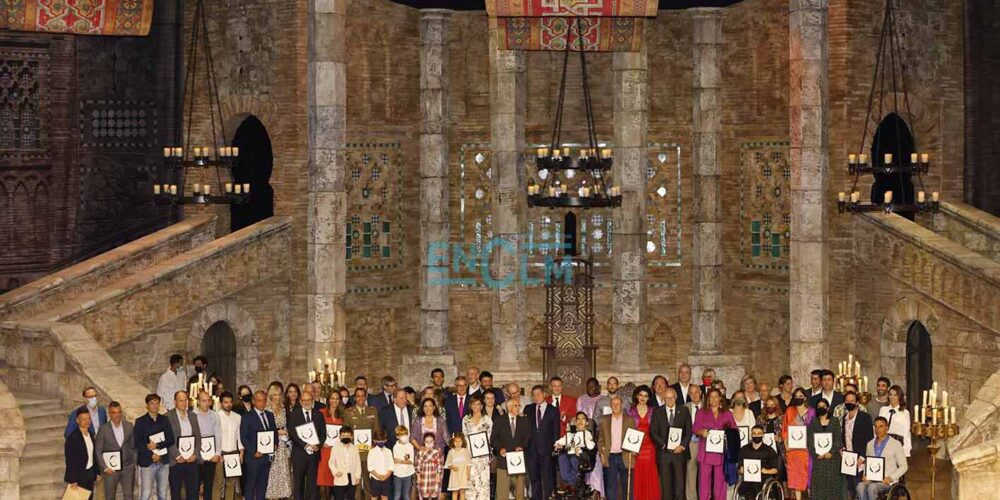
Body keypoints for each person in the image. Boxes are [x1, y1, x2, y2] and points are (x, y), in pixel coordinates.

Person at [692, 387, 735, 500]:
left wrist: (727, 435)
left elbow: (734, 430)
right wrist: (702, 432)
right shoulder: (701, 412)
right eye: (711, 397)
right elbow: (695, 428)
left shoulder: (727, 413)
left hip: (721, 452)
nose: (714, 399)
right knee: (704, 481)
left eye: (716, 396)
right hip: (705, 451)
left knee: (720, 482)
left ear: (720, 398)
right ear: (708, 399)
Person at [650, 387, 691, 500]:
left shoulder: (684, 410)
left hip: (679, 453)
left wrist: (682, 446)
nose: (669, 400)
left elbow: (688, 431)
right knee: (666, 486)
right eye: (667, 398)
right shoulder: (657, 412)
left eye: (672, 397)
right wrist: (664, 445)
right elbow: (653, 432)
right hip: (664, 454)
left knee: (679, 486)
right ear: (663, 398)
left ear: (676, 397)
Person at [856, 417, 908, 500]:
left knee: (872, 488)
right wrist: (865, 475)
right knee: (860, 486)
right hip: (873, 479)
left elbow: (904, 466)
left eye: (881, 426)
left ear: (887, 428)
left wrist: (890, 478)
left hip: (887, 481)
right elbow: (868, 462)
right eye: (875, 426)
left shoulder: (896, 444)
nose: (877, 429)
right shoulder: (870, 444)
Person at [135, 393, 174, 500]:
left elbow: (170, 439)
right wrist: (151, 455)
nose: (155, 406)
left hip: (163, 462)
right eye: (152, 403)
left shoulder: (164, 419)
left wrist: (157, 445)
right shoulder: (140, 421)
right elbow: (138, 443)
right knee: (146, 494)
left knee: (162, 493)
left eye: (157, 403)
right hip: (147, 462)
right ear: (147, 405)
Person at [290, 388, 326, 500]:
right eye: (304, 400)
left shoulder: (319, 415)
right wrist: (305, 445)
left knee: (313, 485)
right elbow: (292, 433)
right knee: (298, 484)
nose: (306, 402)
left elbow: (323, 434)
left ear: (312, 401)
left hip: (313, 456)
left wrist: (317, 445)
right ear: (300, 401)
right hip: (299, 455)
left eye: (309, 400)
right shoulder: (294, 414)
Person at [345, 386, 381, 499]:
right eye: (358, 396)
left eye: (362, 396)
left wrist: (375, 449)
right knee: (356, 482)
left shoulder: (373, 411)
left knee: (368, 482)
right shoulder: (348, 412)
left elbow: (377, 431)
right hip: (354, 453)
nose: (360, 398)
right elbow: (346, 433)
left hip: (369, 453)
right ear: (355, 398)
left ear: (366, 397)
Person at [525, 384, 559, 500]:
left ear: (544, 394)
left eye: (538, 394)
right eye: (534, 395)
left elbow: (556, 432)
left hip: (547, 451)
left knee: (547, 479)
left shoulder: (553, 410)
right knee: (534, 479)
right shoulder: (528, 409)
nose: (536, 397)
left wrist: (554, 449)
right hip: (531, 451)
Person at [166, 390, 202, 499]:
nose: (184, 403)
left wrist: (195, 454)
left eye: (185, 400)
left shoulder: (193, 416)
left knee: (193, 492)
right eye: (180, 400)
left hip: (191, 460)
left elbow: (198, 437)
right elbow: (168, 439)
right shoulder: (167, 417)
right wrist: (177, 456)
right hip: (176, 461)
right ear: (175, 402)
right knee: (176, 492)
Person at [96, 401, 136, 500]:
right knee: (110, 496)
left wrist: (134, 463)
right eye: (114, 412)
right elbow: (98, 450)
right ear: (109, 414)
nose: (117, 415)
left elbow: (134, 446)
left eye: (119, 412)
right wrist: (105, 468)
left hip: (127, 468)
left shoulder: (129, 426)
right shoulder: (103, 429)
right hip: (110, 470)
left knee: (129, 496)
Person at [241, 390, 276, 500]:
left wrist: (275, 443)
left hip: (266, 458)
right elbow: (244, 437)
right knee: (251, 486)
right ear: (253, 401)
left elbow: (274, 432)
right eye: (259, 400)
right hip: (253, 458)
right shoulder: (247, 417)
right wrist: (253, 451)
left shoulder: (270, 415)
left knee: (262, 486)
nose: (262, 403)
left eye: (264, 400)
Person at [492, 397, 530, 500]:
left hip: (518, 460)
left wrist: (521, 446)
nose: (518, 408)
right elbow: (493, 439)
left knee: (519, 490)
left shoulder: (524, 421)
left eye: (519, 406)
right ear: (509, 407)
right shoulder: (499, 420)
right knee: (502, 490)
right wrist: (500, 448)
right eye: (516, 406)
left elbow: (527, 438)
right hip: (503, 460)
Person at [598, 396, 634, 500]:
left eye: (618, 404)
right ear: (610, 406)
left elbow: (634, 436)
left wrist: (634, 449)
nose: (615, 406)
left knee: (627, 487)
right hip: (610, 457)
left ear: (622, 405)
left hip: (626, 456)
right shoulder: (604, 420)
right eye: (613, 404)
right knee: (610, 487)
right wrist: (602, 454)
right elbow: (600, 439)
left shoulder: (629, 419)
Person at [628, 385, 661, 500]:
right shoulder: (630, 411)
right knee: (638, 475)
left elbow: (657, 430)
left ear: (648, 398)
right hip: (636, 447)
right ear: (637, 396)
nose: (642, 398)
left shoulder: (654, 411)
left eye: (645, 396)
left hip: (650, 447)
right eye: (641, 395)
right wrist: (630, 447)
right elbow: (627, 430)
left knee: (650, 474)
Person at [807, 399, 844, 499]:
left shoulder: (834, 421)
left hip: (832, 459)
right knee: (819, 486)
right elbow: (809, 441)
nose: (821, 408)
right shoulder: (813, 422)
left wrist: (831, 452)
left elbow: (838, 440)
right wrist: (815, 454)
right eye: (819, 406)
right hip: (819, 460)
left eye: (823, 406)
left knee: (832, 486)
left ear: (828, 408)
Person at [782, 387, 814, 500]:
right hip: (793, 450)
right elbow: (785, 428)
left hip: (807, 450)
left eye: (801, 396)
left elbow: (815, 429)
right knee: (796, 476)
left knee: (808, 475)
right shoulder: (790, 410)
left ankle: (810, 497)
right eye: (796, 396)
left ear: (805, 397)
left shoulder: (812, 411)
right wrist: (786, 445)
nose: (798, 398)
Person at [842, 390, 873, 498]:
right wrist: (842, 448)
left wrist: (862, 457)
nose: (849, 403)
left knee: (859, 488)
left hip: (860, 460)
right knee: (849, 488)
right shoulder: (844, 418)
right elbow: (844, 437)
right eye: (847, 401)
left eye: (852, 401)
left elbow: (870, 439)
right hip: (848, 459)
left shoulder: (865, 417)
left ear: (857, 403)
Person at [264, 382, 293, 499]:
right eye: (274, 395)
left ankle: (282, 493)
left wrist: (286, 433)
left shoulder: (284, 409)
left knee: (283, 469)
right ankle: (271, 494)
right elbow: (264, 429)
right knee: (272, 470)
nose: (277, 397)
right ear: (270, 396)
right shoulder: (267, 409)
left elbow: (288, 424)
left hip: (283, 444)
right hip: (272, 444)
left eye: (279, 394)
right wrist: (276, 432)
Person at [462, 394, 493, 500]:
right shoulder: (466, 419)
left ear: (482, 406)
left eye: (478, 404)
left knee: (483, 482)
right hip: (469, 455)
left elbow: (490, 437)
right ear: (470, 405)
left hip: (483, 456)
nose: (476, 406)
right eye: (473, 404)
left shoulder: (487, 420)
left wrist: (487, 452)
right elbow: (464, 436)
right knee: (471, 481)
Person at [554, 412, 597, 487]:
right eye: (578, 419)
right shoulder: (570, 433)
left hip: (580, 456)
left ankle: (573, 484)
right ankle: (572, 483)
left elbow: (591, 446)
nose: (580, 421)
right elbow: (562, 440)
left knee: (574, 459)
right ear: (575, 422)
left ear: (586, 423)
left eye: (583, 419)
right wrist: (558, 445)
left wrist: (581, 449)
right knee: (561, 457)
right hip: (568, 454)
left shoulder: (587, 433)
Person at [735, 425, 779, 499]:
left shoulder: (769, 451)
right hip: (748, 479)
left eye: (759, 433)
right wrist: (740, 470)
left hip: (763, 479)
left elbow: (775, 470)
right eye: (754, 433)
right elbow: (739, 469)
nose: (756, 435)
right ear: (751, 435)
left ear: (763, 435)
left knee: (755, 487)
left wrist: (765, 471)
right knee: (747, 487)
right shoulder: (744, 450)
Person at [215, 391, 244, 500]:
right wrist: (217, 453)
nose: (228, 404)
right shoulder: (216, 416)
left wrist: (241, 451)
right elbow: (214, 436)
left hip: (233, 453)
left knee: (231, 484)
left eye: (230, 402)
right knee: (218, 483)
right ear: (221, 403)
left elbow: (239, 435)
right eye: (226, 402)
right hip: (220, 454)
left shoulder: (237, 417)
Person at [193, 390, 221, 500]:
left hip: (210, 457)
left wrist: (217, 453)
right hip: (196, 457)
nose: (206, 403)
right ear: (198, 402)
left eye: (208, 400)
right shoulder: (192, 415)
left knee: (209, 486)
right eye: (203, 400)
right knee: (194, 486)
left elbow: (218, 434)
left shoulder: (215, 415)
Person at [65, 407, 98, 496]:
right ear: (77, 420)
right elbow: (70, 460)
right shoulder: (72, 438)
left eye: (88, 418)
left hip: (90, 473)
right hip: (79, 475)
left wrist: (96, 472)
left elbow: (93, 456)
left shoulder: (91, 435)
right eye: (83, 419)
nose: (87, 421)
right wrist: (73, 480)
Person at [319, 392, 347, 493]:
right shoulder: (321, 412)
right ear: (328, 400)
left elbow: (346, 432)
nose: (334, 401)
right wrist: (321, 442)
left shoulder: (343, 415)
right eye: (332, 398)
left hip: (337, 452)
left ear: (339, 401)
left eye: (337, 399)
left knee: (336, 478)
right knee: (323, 477)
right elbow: (316, 430)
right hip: (324, 450)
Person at [756, 395, 784, 483]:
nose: (770, 407)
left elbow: (786, 434)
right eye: (767, 405)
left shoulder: (782, 418)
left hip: (778, 450)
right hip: (764, 451)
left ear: (776, 406)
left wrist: (780, 438)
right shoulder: (760, 419)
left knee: (778, 475)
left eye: (772, 405)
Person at [330, 426, 363, 500]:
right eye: (343, 436)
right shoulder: (335, 448)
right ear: (340, 437)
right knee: (339, 497)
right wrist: (336, 472)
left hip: (352, 477)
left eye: (348, 436)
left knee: (351, 497)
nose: (346, 437)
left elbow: (358, 463)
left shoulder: (355, 448)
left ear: (351, 437)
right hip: (340, 476)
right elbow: (331, 462)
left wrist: (358, 476)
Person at [878, 385, 911, 458]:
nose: (892, 397)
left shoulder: (905, 413)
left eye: (895, 395)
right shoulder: (883, 409)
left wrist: (906, 451)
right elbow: (878, 428)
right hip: (883, 442)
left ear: (899, 396)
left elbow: (906, 433)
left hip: (897, 444)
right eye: (890, 394)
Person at [684, 385, 703, 500]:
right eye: (691, 393)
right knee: (691, 472)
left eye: (696, 392)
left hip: (705, 442)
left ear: (700, 392)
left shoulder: (708, 406)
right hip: (691, 443)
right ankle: (691, 497)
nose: (694, 395)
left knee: (705, 473)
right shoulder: (684, 408)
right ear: (688, 395)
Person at [416, 432, 445, 500]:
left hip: (434, 475)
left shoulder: (436, 452)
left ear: (434, 442)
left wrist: (438, 474)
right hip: (424, 475)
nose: (429, 444)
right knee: (425, 493)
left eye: (431, 442)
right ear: (424, 442)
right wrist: (418, 476)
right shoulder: (421, 452)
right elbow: (418, 465)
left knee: (434, 493)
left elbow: (439, 464)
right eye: (427, 442)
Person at [369, 429, 395, 500]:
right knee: (374, 496)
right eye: (379, 441)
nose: (381, 442)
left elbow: (391, 465)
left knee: (385, 496)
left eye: (383, 440)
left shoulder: (389, 451)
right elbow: (370, 467)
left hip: (386, 478)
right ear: (374, 441)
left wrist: (387, 476)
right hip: (375, 479)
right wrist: (378, 476)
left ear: (386, 440)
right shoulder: (371, 452)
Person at [392, 425, 416, 500]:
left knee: (406, 495)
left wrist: (401, 461)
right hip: (398, 474)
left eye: (405, 434)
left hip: (408, 473)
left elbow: (411, 461)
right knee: (397, 495)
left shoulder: (410, 446)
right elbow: (396, 461)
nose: (404, 436)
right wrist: (404, 461)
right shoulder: (395, 447)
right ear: (397, 436)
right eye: (401, 435)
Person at [445, 432, 472, 498]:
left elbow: (469, 463)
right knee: (455, 491)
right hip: (455, 475)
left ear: (463, 441)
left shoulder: (465, 451)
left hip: (463, 475)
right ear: (453, 442)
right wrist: (453, 467)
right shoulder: (451, 452)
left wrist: (468, 474)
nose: (458, 443)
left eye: (460, 441)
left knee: (462, 491)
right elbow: (448, 463)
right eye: (456, 441)